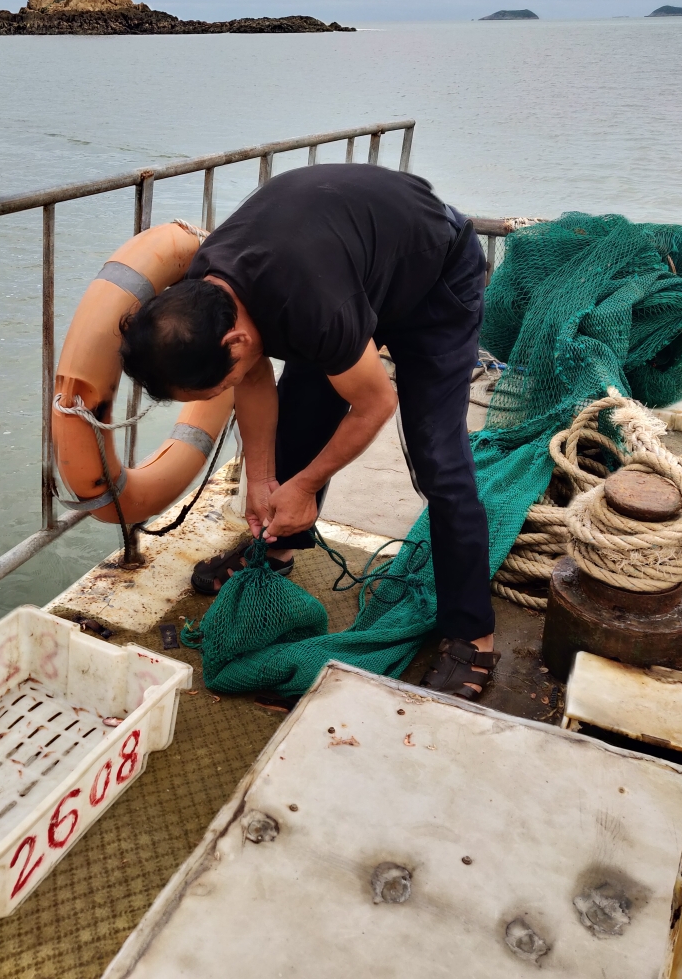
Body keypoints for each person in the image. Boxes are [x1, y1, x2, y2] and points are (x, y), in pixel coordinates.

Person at [120, 163, 498, 699]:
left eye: (211, 389)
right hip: (351, 271)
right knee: (298, 421)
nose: (213, 399)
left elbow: (374, 403)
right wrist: (262, 481)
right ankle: (279, 549)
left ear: (235, 341)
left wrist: (301, 486)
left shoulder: (311, 306)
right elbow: (251, 380)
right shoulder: (207, 287)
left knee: (439, 460)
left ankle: (472, 633)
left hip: (432, 277)